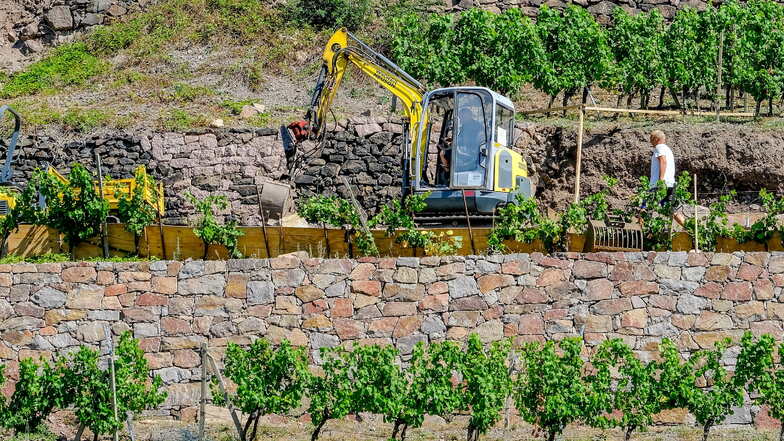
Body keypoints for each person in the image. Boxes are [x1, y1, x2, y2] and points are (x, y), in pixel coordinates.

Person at [649, 130, 685, 227]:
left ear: (656, 139)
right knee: (672, 210)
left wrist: (661, 180)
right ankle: (691, 230)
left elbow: (663, 161)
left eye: (651, 139)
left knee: (645, 207)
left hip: (660, 185)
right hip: (669, 184)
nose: (650, 141)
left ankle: (645, 235)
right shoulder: (668, 149)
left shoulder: (659, 147)